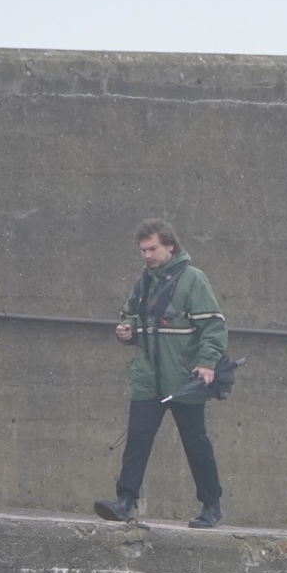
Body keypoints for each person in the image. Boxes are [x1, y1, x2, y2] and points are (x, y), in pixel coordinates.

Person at [94, 219, 229, 529]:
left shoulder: (193, 280)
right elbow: (130, 314)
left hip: (184, 379)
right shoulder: (144, 282)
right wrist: (127, 330)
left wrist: (207, 363)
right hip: (147, 378)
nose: (147, 256)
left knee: (196, 442)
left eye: (152, 249)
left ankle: (211, 506)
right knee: (137, 440)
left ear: (170, 246)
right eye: (143, 250)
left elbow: (214, 325)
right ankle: (125, 501)